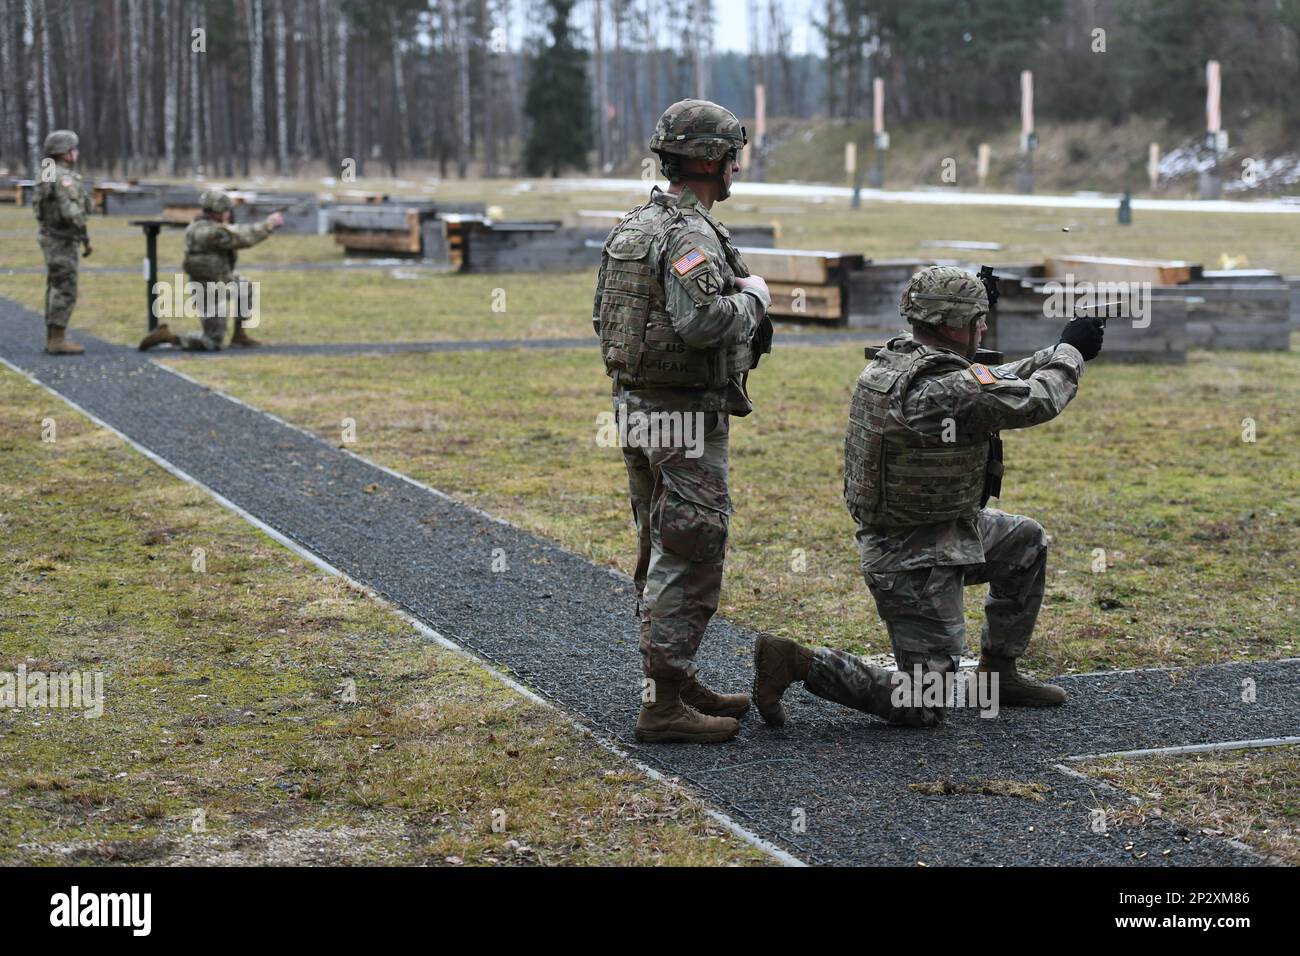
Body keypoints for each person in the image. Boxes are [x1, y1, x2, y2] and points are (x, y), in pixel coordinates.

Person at [754, 265, 1106, 728]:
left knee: (1025, 542)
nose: (985, 325)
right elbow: (1036, 400)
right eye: (978, 318)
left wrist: (1051, 351)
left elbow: (988, 380)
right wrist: (1070, 353)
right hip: (912, 561)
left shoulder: (901, 359)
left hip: (945, 529)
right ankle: (797, 663)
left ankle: (998, 674)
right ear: (950, 325)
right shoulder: (942, 387)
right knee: (924, 703)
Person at [594, 99, 774, 743]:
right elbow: (700, 322)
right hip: (681, 418)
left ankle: (672, 678)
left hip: (637, 408)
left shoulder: (636, 225)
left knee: (661, 545)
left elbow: (605, 317)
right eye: (730, 158)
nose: (735, 170)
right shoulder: (689, 235)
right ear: (708, 161)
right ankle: (663, 704)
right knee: (689, 550)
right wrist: (751, 302)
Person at [138, 189, 282, 351]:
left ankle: (239, 336)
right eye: (225, 211)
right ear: (214, 212)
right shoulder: (208, 232)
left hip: (220, 281)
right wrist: (269, 225)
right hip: (207, 290)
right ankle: (170, 337)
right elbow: (241, 237)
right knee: (212, 342)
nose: (228, 214)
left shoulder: (207, 226)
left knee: (244, 286)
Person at [33, 129, 92, 355]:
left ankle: (54, 336)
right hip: (62, 239)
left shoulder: (47, 173)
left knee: (56, 285)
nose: (76, 153)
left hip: (51, 237)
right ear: (65, 153)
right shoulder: (62, 177)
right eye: (73, 150)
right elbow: (70, 212)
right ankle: (57, 340)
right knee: (65, 287)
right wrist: (82, 228)